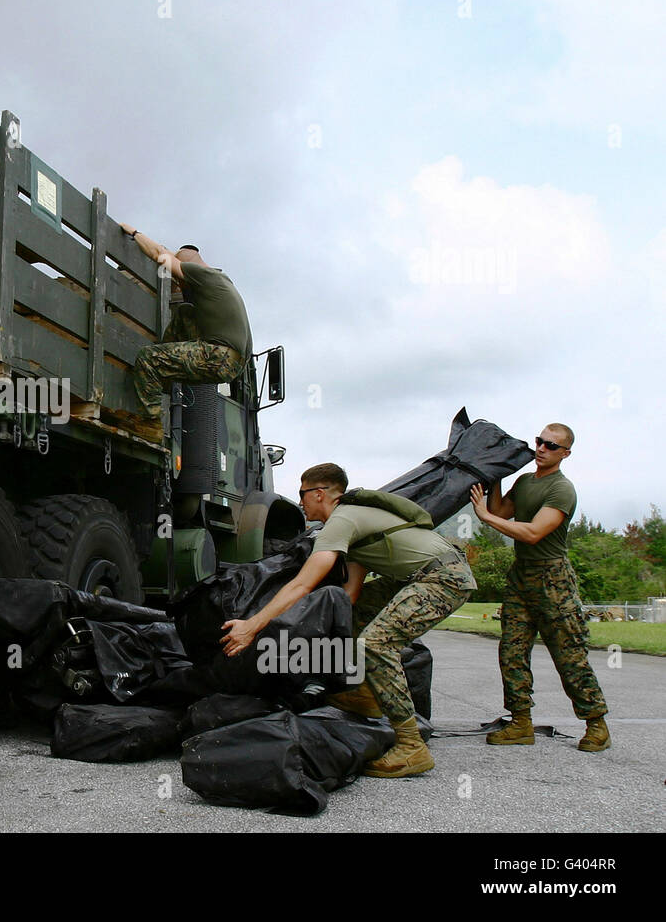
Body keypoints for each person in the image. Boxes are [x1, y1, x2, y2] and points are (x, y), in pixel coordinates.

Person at [221, 463, 476, 777]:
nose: (300, 502)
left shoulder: (342, 519)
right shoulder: (353, 524)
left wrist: (252, 625)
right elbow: (350, 596)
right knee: (352, 614)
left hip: (443, 577)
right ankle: (366, 693)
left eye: (303, 494)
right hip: (421, 577)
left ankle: (411, 746)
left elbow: (303, 583)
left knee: (377, 644)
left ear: (319, 493)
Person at [470, 423, 610, 752]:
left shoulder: (562, 489)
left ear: (565, 453)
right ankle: (520, 723)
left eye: (551, 445)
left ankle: (596, 723)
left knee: (569, 656)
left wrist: (484, 517)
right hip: (521, 576)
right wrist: (497, 475)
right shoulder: (524, 482)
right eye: (539, 441)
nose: (542, 448)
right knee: (512, 651)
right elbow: (499, 510)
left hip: (553, 580)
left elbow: (532, 532)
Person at [116, 224, 250, 443]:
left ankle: (150, 425)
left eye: (179, 277)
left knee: (147, 358)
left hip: (218, 355)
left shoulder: (203, 276)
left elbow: (160, 256)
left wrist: (134, 233)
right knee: (185, 312)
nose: (177, 283)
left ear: (188, 266)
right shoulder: (224, 283)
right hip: (232, 363)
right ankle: (160, 378)